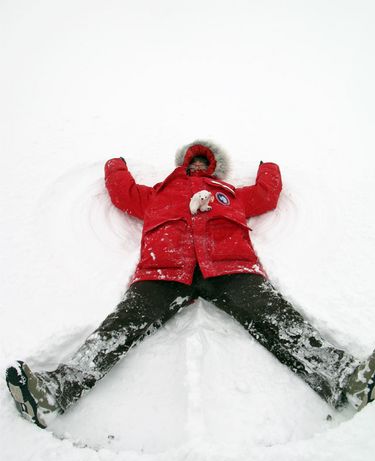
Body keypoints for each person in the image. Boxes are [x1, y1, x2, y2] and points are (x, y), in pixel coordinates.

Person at [6, 140, 375, 429]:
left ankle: (346, 380)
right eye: (193, 161)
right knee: (119, 327)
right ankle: (54, 393)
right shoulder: (157, 192)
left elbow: (266, 195)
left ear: (213, 167)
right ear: (182, 164)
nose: (198, 165)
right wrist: (115, 164)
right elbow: (122, 193)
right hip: (164, 270)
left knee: (277, 317)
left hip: (231, 266)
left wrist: (270, 166)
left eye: (204, 161)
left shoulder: (228, 194)